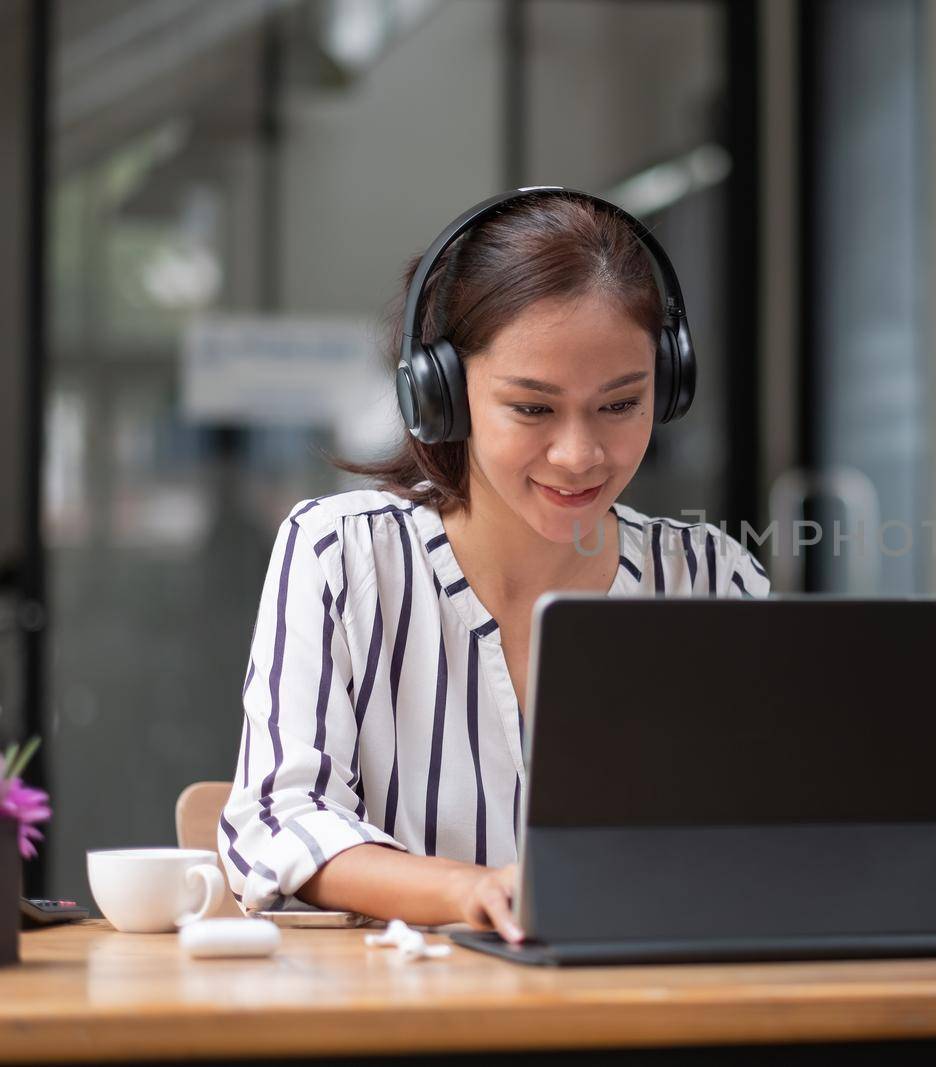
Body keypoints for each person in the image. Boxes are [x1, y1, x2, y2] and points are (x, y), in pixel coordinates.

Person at [218, 190, 768, 943]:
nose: (580, 454)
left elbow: (771, 833)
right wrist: (470, 890)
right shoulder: (341, 554)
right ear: (442, 395)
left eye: (620, 404)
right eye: (534, 409)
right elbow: (276, 822)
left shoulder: (712, 577)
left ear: (665, 387)